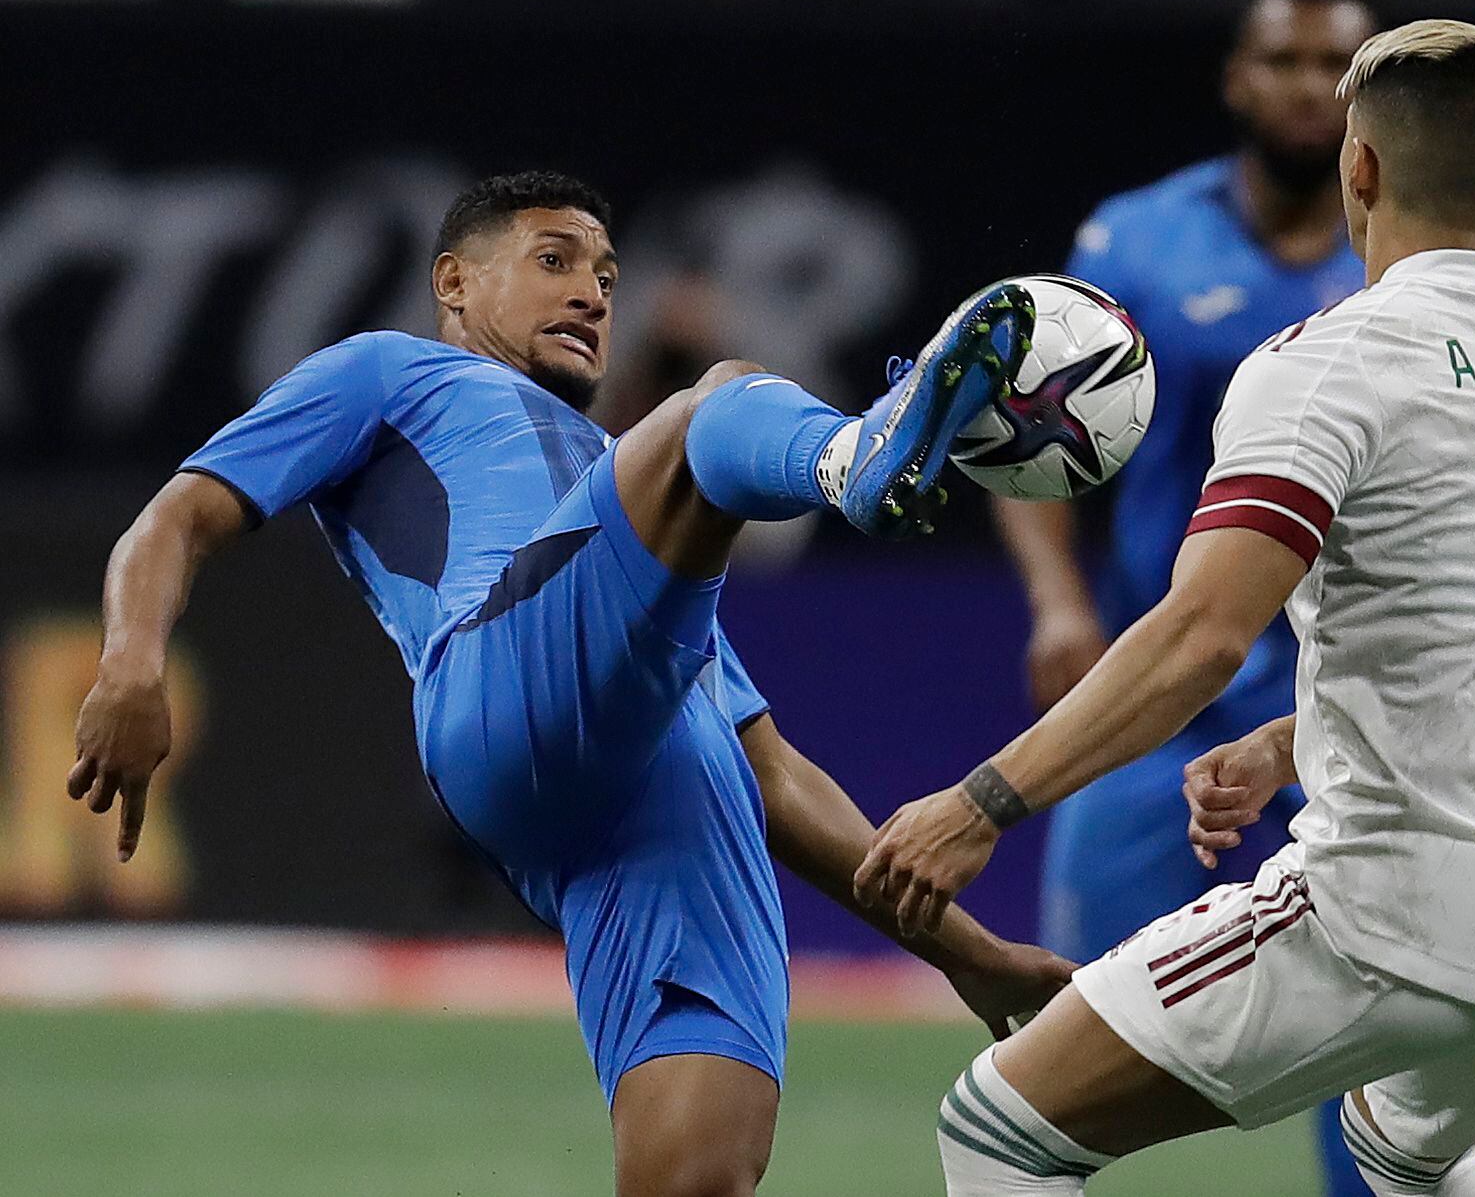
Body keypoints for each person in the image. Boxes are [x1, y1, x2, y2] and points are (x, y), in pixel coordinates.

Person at [66, 171, 1074, 1197]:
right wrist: (131, 661)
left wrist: (966, 951)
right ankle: (858, 456)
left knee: (700, 1178)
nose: (593, 293)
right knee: (719, 402)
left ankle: (862, 457)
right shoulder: (388, 373)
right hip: (502, 684)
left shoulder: (642, 544)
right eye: (554, 262)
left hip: (655, 801)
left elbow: (772, 778)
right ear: (453, 283)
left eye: (605, 273)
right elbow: (176, 517)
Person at [857, 22, 1475, 1196]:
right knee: (1397, 1154)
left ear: (1355, 167)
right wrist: (1285, 744)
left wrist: (978, 806)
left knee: (998, 1123)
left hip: (1395, 906)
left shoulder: (1327, 361)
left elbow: (1200, 635)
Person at [993, 0, 1374, 1188]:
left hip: (1340, 720)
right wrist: (1058, 602)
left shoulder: (1421, 257)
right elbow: (1013, 441)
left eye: (1336, 62)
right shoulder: (1134, 240)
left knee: (1380, 1087)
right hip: (1155, 701)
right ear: (1235, 81)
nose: (1309, 83)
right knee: (1047, 1055)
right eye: (1284, 58)